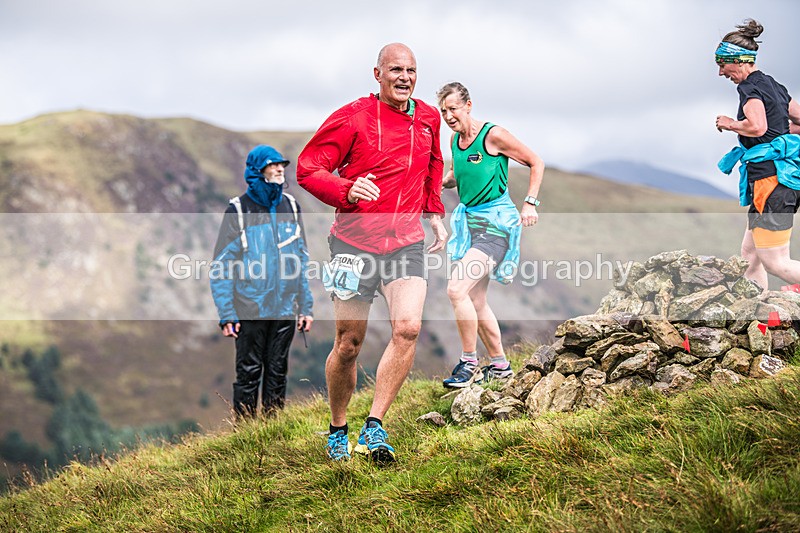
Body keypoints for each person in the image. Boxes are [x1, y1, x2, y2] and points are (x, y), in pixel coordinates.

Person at [297, 43, 447, 463]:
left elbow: (434, 165)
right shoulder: (353, 117)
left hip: (405, 241)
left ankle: (375, 426)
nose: (405, 77)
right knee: (348, 343)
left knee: (408, 328)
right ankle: (337, 428)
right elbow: (308, 169)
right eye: (396, 69)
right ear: (377, 73)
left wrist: (434, 212)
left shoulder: (428, 118)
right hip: (353, 244)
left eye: (411, 70)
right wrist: (346, 189)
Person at [435, 82, 545, 389]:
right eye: (444, 111)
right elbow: (459, 174)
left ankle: (468, 362)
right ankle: (500, 367)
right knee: (476, 299)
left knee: (456, 289)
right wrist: (442, 182)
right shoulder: (455, 140)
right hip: (471, 226)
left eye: (453, 109)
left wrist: (530, 203)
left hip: (496, 226)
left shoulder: (493, 135)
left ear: (468, 106)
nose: (448, 116)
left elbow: (536, 162)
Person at [210, 145, 314, 419]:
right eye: (273, 164)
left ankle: (272, 429)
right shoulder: (238, 210)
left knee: (278, 371)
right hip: (250, 307)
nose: (280, 168)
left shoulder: (291, 206)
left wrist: (306, 306)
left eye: (282, 164)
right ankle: (245, 432)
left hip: (285, 308)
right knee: (249, 373)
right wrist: (227, 313)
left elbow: (300, 259)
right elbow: (221, 266)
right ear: (258, 170)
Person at [716, 19, 800, 291]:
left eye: (722, 64)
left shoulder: (749, 88)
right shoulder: (774, 85)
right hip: (781, 180)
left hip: (771, 183)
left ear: (738, 61)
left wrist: (730, 123)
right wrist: (781, 134)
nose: (720, 72)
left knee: (776, 263)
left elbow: (757, 126)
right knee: (750, 257)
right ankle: (758, 310)